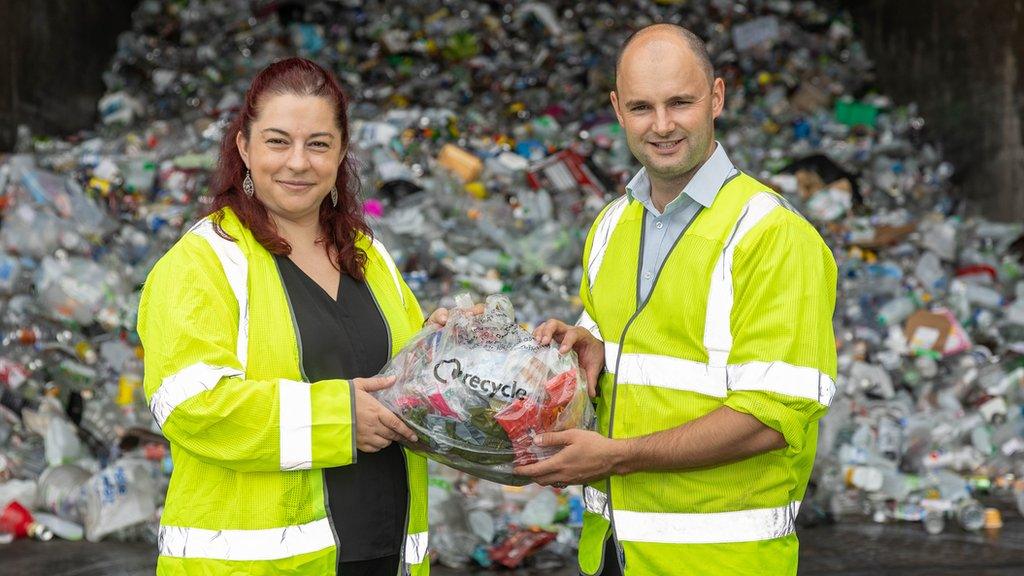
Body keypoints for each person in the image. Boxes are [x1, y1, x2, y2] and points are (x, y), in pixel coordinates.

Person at [522, 24, 838, 576]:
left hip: (720, 561)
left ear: (716, 98)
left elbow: (774, 417)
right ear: (617, 110)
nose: (662, 125)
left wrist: (617, 456)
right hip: (613, 554)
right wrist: (584, 350)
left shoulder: (770, 234)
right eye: (642, 106)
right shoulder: (612, 225)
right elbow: (627, 355)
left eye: (681, 103)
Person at [138, 58, 438, 576]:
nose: (298, 162)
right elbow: (190, 406)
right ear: (244, 148)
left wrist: (453, 348)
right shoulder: (205, 260)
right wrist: (338, 419)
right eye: (278, 141)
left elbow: (404, 379)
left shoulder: (370, 257)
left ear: (341, 152)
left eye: (318, 144)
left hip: (385, 554)